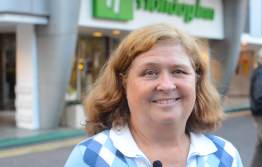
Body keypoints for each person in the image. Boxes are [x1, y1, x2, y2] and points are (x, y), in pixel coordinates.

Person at [65, 23, 243, 167]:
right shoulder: (90, 158)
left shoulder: (225, 157)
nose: (166, 85)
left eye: (178, 71)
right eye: (150, 72)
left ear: (196, 81)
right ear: (124, 82)